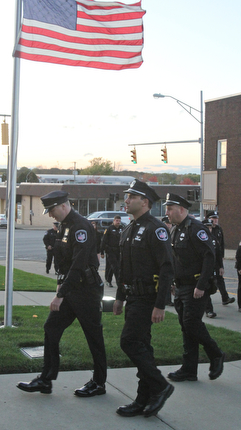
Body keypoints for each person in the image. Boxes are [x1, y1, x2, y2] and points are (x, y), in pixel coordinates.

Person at [17, 191, 107, 397]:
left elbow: (78, 265)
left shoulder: (80, 227)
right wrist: (60, 285)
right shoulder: (65, 226)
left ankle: (99, 383)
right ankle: (46, 380)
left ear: (64, 206)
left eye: (52, 210)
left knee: (94, 337)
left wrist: (60, 294)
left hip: (86, 291)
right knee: (51, 327)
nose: (50, 215)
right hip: (70, 288)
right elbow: (62, 262)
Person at [113, 179, 174, 418]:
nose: (126, 200)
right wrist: (119, 297)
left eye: (131, 197)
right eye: (126, 196)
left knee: (129, 342)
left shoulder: (155, 228)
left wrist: (160, 304)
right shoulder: (129, 228)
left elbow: (167, 268)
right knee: (143, 348)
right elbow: (123, 269)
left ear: (145, 202)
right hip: (132, 296)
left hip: (148, 297)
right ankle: (143, 398)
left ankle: (160, 386)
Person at [165, 193, 225, 382]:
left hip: (196, 287)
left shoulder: (196, 228)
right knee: (186, 327)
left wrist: (201, 285)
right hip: (182, 287)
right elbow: (177, 259)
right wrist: (174, 282)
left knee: (191, 323)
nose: (167, 212)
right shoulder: (176, 229)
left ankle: (215, 353)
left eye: (169, 209)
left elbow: (209, 256)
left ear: (181, 210)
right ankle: (189, 370)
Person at [206, 211, 235, 306]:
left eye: (216, 218)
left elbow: (221, 244)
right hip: (208, 259)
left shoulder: (218, 229)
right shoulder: (206, 229)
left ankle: (225, 297)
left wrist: (221, 257)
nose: (215, 220)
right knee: (208, 280)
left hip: (216, 259)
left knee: (220, 278)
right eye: (213, 218)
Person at [202, 218, 223, 318]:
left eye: (210, 227)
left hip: (213, 267)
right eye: (207, 227)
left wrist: (221, 267)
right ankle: (208, 310)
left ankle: (207, 308)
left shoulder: (213, 239)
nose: (209, 229)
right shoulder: (199, 238)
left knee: (210, 288)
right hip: (201, 268)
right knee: (204, 289)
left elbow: (218, 254)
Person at [100, 215, 123, 287]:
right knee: (115, 266)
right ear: (114, 221)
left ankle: (108, 280)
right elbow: (103, 240)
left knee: (111, 267)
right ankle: (118, 282)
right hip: (110, 250)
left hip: (118, 251)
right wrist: (102, 252)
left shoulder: (122, 229)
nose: (118, 222)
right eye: (117, 221)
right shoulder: (109, 229)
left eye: (119, 221)